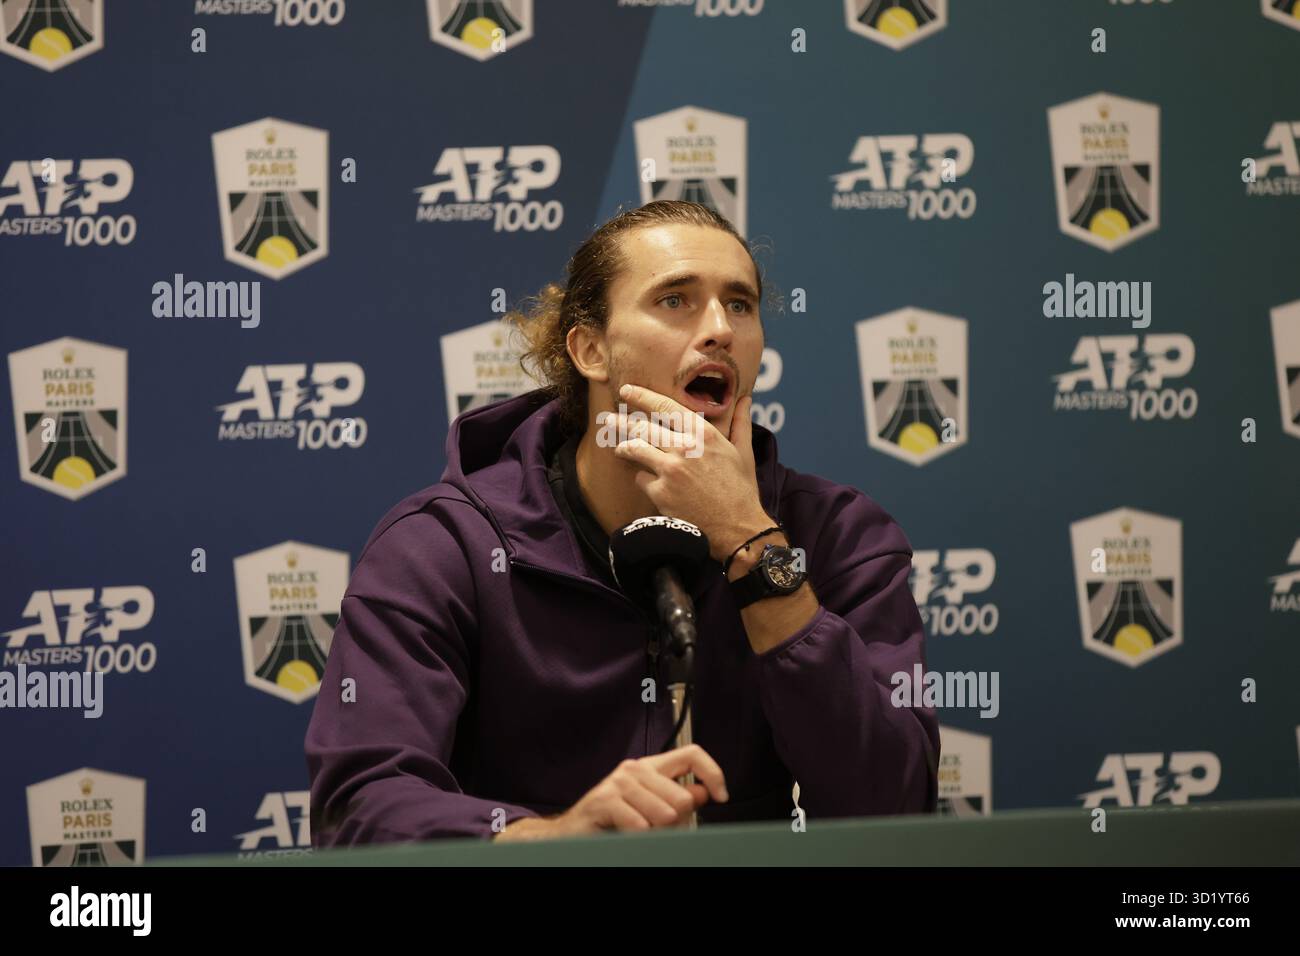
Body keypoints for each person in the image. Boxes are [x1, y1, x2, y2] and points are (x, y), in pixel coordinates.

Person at [305, 200, 939, 845]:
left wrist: (753, 545)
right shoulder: (445, 545)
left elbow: (893, 805)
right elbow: (359, 804)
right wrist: (549, 840)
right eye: (676, 301)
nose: (720, 327)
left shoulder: (835, 535)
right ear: (590, 349)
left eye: (740, 304)